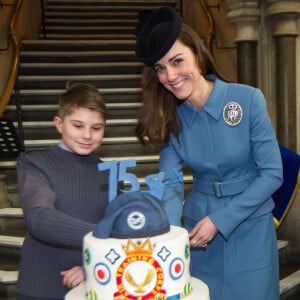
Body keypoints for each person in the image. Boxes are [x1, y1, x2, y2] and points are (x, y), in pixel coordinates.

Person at [134, 6, 283, 300]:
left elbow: (272, 174)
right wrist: (167, 235)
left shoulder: (247, 99)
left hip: (249, 228)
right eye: (161, 69)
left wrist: (220, 220)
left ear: (198, 56)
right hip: (199, 237)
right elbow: (170, 184)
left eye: (177, 62)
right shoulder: (170, 117)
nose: (170, 76)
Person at [16, 83, 109, 299]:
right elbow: (40, 219)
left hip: (93, 284)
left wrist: (90, 269)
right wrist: (101, 235)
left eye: (96, 128)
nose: (87, 135)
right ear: (59, 124)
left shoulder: (109, 172)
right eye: (78, 125)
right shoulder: (34, 162)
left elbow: (120, 231)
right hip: (41, 287)